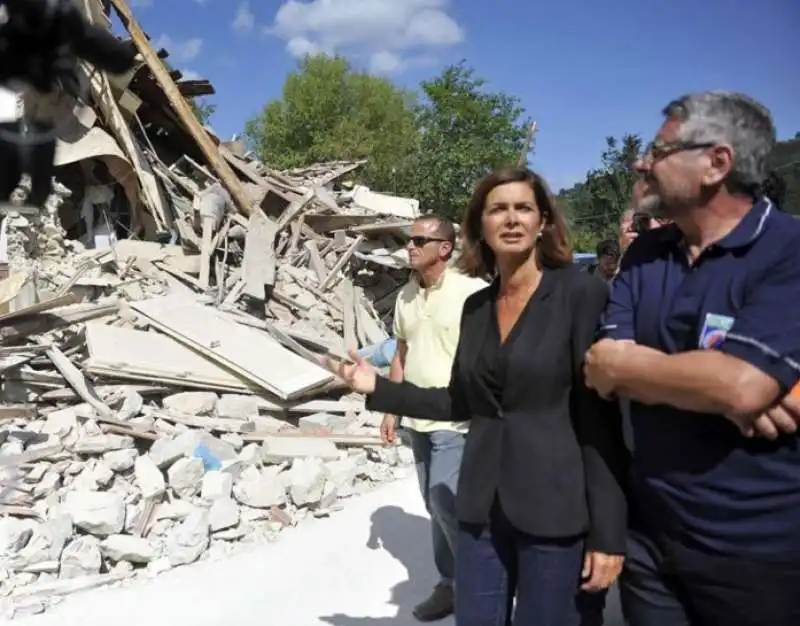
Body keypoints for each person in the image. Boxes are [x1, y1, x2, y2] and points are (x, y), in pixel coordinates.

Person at [330, 167, 628, 625]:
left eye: (523, 208)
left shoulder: (579, 293)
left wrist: (609, 533)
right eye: (498, 210)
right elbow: (460, 402)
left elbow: (600, 421)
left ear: (543, 221)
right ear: (480, 227)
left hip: (554, 508)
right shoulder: (478, 307)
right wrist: (379, 389)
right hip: (482, 508)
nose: (511, 219)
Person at [585, 91, 800, 626]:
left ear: (716, 163)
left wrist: (736, 383)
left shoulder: (789, 250)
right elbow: (600, 365)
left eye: (658, 152)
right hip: (650, 541)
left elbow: (740, 386)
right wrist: (720, 383)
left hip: (760, 555)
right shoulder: (644, 254)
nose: (641, 163)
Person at [382, 215, 487, 622]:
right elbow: (400, 355)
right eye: (408, 240)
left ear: (445, 247)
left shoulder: (472, 292)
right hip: (417, 421)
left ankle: (482, 581)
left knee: (448, 501)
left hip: (455, 422)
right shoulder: (406, 296)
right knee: (433, 503)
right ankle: (451, 585)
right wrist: (392, 407)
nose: (410, 246)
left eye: (419, 240)